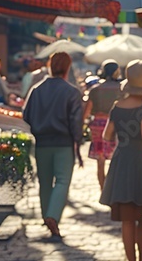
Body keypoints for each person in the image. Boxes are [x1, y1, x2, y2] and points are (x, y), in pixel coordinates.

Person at [100, 60, 142, 261]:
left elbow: (107, 135)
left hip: (120, 162)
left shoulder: (117, 107)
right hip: (139, 164)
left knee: (127, 219)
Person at [23, 52, 84, 238]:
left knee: (45, 183)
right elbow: (76, 122)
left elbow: (26, 116)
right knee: (63, 181)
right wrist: (78, 143)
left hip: (42, 143)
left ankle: (47, 217)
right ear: (67, 68)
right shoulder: (72, 92)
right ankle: (53, 216)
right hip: (63, 143)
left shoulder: (36, 89)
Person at [85, 60, 122, 189]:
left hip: (97, 125)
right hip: (116, 124)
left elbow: (87, 111)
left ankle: (103, 190)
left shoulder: (95, 89)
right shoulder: (121, 88)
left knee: (100, 160)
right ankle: (115, 189)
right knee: (117, 157)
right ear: (115, 71)